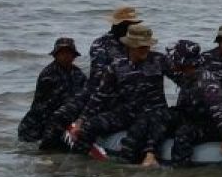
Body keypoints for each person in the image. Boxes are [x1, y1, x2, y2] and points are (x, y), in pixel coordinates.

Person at [65, 24, 174, 167]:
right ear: (130, 46)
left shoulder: (160, 60)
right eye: (141, 46)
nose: (146, 49)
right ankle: (79, 168)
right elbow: (100, 96)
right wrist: (81, 121)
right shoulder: (116, 66)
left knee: (132, 145)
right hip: (127, 112)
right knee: (90, 127)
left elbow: (183, 80)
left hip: (154, 113)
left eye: (147, 45)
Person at [18, 37, 88, 149]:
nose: (66, 56)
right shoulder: (48, 75)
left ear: (74, 55)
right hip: (36, 127)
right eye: (62, 53)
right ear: (56, 55)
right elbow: (51, 106)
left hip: (61, 121)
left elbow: (84, 97)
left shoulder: (78, 74)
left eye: (69, 53)